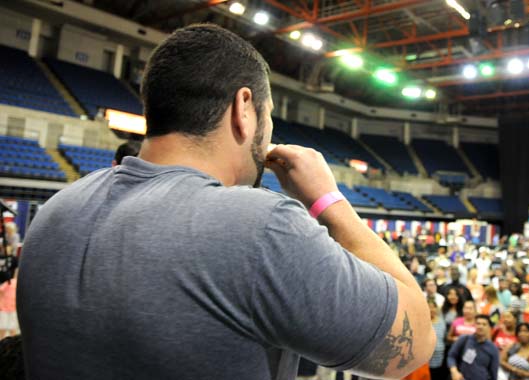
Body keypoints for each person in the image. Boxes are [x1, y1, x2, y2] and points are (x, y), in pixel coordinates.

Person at [16, 24, 436, 380]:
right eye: (269, 116)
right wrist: (330, 201)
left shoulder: (56, 213)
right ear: (244, 108)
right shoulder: (258, 227)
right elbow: (415, 342)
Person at [447, 314, 499, 380]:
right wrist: (454, 372)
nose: (480, 326)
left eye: (484, 324)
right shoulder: (464, 339)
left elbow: (494, 373)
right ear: (474, 325)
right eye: (478, 323)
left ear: (489, 327)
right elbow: (451, 356)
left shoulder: (493, 348)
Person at [427, 300, 448, 380]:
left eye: (433, 307)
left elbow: (444, 336)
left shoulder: (442, 321)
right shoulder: (424, 321)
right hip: (427, 359)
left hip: (440, 356)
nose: (431, 309)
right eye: (429, 307)